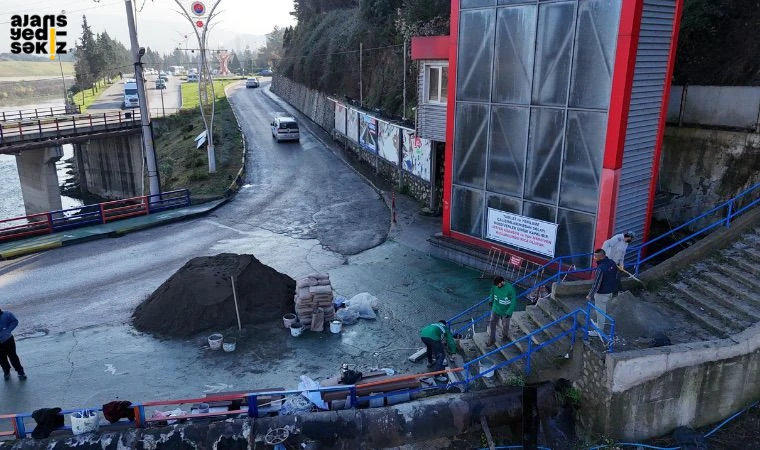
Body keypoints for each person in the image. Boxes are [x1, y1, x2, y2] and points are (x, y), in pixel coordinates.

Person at [586, 249, 618, 338]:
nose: (594, 258)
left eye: (595, 256)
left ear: (601, 257)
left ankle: (599, 331)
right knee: (603, 311)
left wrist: (590, 295)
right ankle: (600, 325)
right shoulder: (612, 263)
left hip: (602, 294)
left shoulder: (601, 268)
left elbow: (597, 283)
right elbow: (616, 276)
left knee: (600, 312)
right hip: (610, 291)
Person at [486, 276, 517, 347]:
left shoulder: (510, 288)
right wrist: (491, 300)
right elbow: (492, 294)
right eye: (496, 285)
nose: (497, 286)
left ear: (502, 282)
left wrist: (509, 312)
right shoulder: (495, 286)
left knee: (505, 325)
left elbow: (513, 301)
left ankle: (505, 336)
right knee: (492, 324)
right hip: (495, 309)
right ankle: (492, 339)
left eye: (498, 285)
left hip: (505, 311)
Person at [0, 308, 26, 381]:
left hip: (8, 340)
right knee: (1, 358)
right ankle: (6, 371)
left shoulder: (7, 314)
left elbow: (14, 321)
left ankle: (20, 372)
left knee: (13, 356)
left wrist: (8, 330)